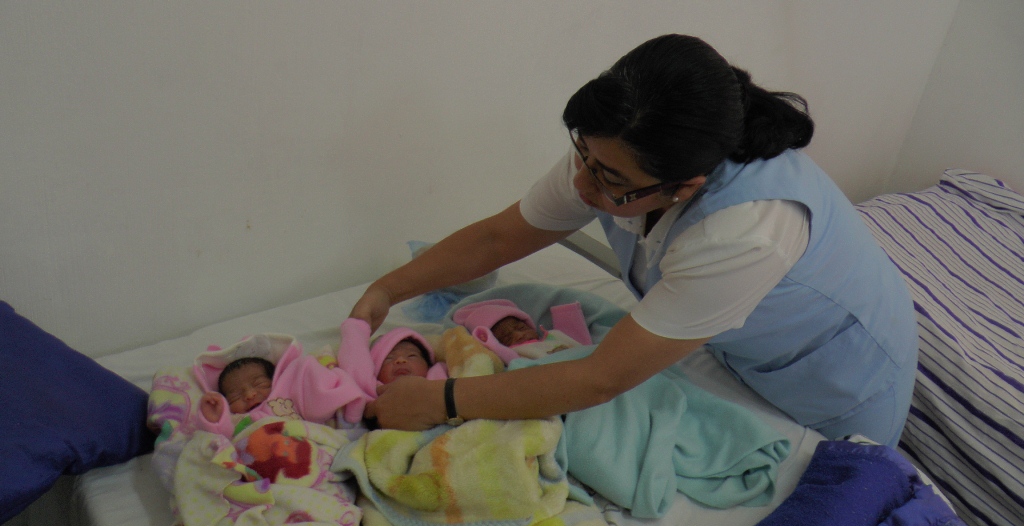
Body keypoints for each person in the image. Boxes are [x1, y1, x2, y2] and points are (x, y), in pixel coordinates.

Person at [351, 34, 917, 447]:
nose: (580, 184)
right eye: (585, 156)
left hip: (833, 386)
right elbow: (501, 237)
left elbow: (603, 378)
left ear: (682, 188)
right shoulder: (618, 149)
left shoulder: (748, 231)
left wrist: (442, 403)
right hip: (732, 340)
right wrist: (385, 291)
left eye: (608, 179)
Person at [194, 333, 373, 437]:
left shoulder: (286, 395)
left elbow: (313, 385)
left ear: (275, 381)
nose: (249, 395)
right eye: (234, 396)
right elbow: (222, 438)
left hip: (311, 446)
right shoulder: (238, 420)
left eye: (259, 384)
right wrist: (214, 417)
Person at [451, 298, 589, 363]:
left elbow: (582, 343)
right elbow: (507, 357)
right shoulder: (515, 355)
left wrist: (566, 313)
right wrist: (488, 341)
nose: (519, 335)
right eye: (506, 338)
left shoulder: (553, 336)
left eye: (521, 328)